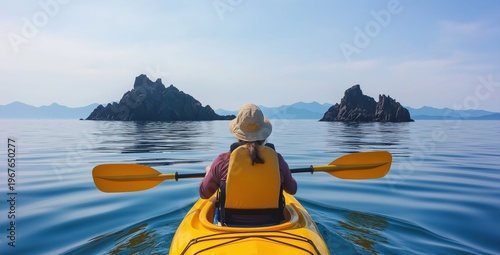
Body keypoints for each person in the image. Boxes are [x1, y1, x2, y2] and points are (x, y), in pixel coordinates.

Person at [199, 103, 297, 226]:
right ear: (263, 135)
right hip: (272, 224)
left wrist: (209, 172)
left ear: (238, 135)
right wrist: (283, 175)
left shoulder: (222, 161)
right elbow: (292, 189)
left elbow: (204, 194)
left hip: (229, 225)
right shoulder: (277, 160)